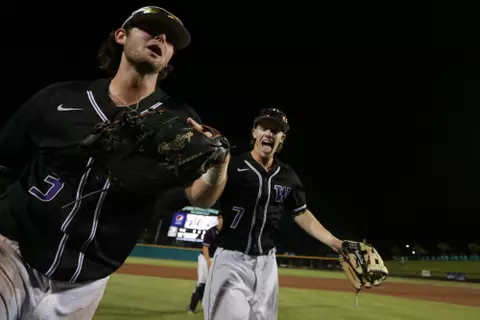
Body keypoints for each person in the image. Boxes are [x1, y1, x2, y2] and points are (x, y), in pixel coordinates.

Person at [0, 6, 229, 320]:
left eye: (170, 39)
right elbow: (4, 161)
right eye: (151, 28)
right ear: (121, 36)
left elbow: (198, 196)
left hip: (88, 279)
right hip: (15, 252)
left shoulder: (179, 121)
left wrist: (220, 164)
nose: (161, 38)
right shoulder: (59, 99)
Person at [202, 108, 343, 320]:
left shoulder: (287, 176)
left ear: (281, 138)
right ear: (254, 133)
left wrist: (336, 243)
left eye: (275, 130)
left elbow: (301, 213)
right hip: (231, 260)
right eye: (264, 128)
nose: (269, 133)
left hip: (267, 264)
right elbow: (206, 198)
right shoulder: (233, 165)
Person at [187, 213, 223, 314]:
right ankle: (191, 306)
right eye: (222, 218)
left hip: (216, 259)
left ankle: (208, 305)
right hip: (205, 258)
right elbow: (205, 248)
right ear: (218, 219)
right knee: (202, 283)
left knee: (213, 284)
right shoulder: (211, 232)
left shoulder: (225, 233)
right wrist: (208, 262)